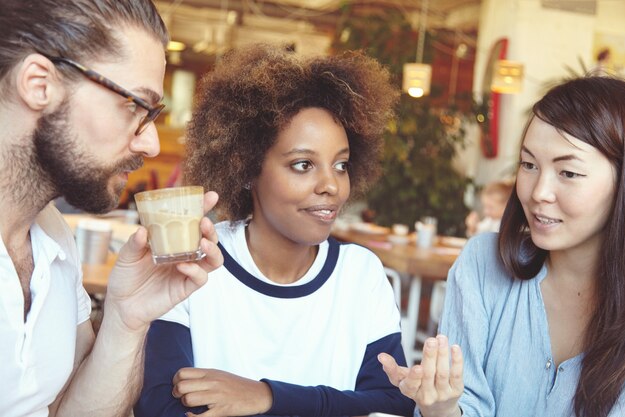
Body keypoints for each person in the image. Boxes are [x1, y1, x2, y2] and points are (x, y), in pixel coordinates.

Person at [134, 44, 415, 417]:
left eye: (341, 165)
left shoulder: (360, 275)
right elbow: (160, 408)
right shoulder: (194, 261)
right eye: (303, 164)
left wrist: (266, 396)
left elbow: (393, 405)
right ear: (247, 167)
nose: (331, 185)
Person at [0, 1, 223, 416]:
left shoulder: (52, 236)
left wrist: (127, 318)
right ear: (39, 85)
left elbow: (66, 410)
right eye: (135, 105)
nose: (151, 144)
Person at [379, 75, 625, 417]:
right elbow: (466, 405)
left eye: (568, 173)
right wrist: (443, 408)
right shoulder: (483, 264)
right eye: (528, 165)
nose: (538, 192)